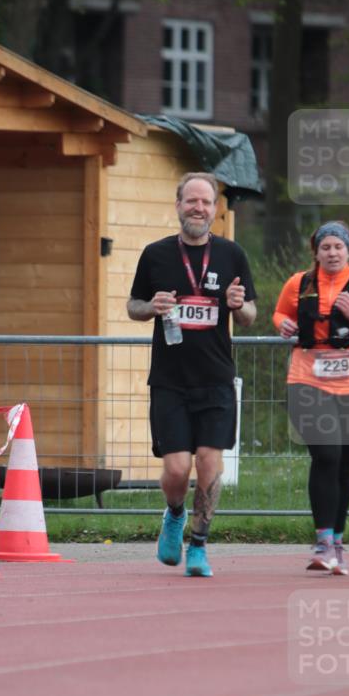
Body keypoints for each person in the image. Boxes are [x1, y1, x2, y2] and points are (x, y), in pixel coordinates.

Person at [127, 172, 257, 577]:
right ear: (178, 205)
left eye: (206, 202)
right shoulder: (156, 254)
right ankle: (174, 513)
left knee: (209, 463)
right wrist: (152, 306)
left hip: (216, 377)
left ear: (215, 209)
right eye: (191, 201)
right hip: (170, 379)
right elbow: (133, 306)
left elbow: (251, 316)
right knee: (177, 469)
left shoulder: (232, 255)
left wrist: (238, 306)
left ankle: (199, 546)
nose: (198, 208)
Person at [273, 220, 349, 575]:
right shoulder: (299, 283)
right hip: (307, 380)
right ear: (316, 252)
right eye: (325, 247)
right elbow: (281, 313)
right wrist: (282, 324)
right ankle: (323, 542)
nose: (331, 253)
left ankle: (337, 544)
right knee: (325, 454)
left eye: (338, 247)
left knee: (342, 464)